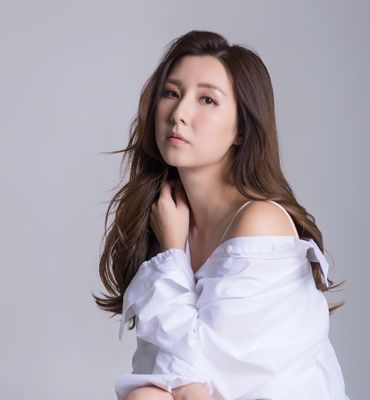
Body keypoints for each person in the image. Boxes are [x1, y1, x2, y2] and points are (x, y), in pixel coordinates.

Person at [93, 30, 350, 400]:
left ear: (241, 130)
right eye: (172, 93)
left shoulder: (259, 222)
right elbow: (167, 370)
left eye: (207, 100)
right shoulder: (170, 214)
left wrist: (171, 253)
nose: (179, 114)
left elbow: (198, 376)